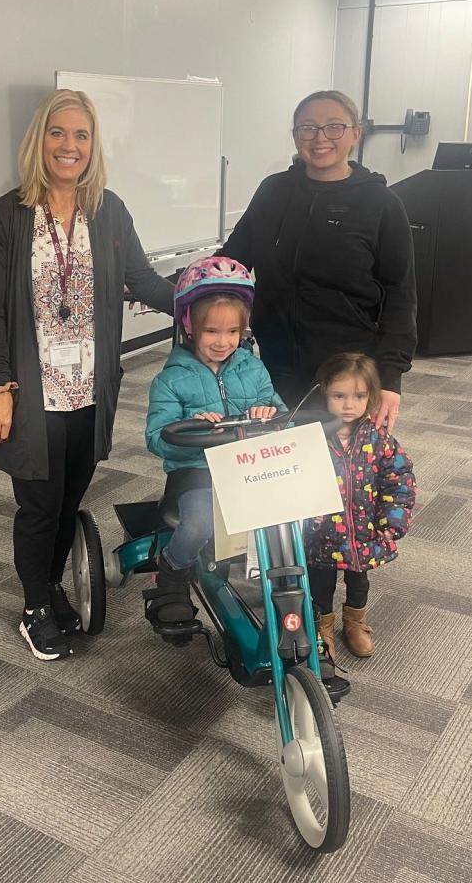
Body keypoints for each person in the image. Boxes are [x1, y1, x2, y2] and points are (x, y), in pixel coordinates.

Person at [0, 88, 174, 662]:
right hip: (32, 394)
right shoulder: (7, 214)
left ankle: (50, 586)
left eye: (81, 135)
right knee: (38, 505)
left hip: (90, 389)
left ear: (94, 146)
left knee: (68, 502)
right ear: (41, 140)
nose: (70, 146)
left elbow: (144, 280)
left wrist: (207, 298)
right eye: (58, 133)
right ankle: (34, 605)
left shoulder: (108, 209)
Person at [218, 90, 416, 432]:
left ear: (356, 134)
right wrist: (179, 284)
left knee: (342, 469)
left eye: (334, 127)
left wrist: (390, 377)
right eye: (307, 128)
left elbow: (401, 296)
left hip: (347, 370)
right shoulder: (273, 192)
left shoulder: (382, 204)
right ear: (296, 137)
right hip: (276, 364)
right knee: (280, 461)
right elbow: (232, 261)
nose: (320, 138)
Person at [144, 257, 283, 629]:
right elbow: (157, 438)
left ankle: (288, 583)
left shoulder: (253, 369)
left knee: (289, 516)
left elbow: (280, 409)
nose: (223, 342)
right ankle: (171, 574)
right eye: (211, 332)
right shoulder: (171, 379)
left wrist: (268, 414)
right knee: (198, 524)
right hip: (195, 470)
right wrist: (191, 429)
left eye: (232, 332)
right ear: (189, 325)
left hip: (250, 466)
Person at [305, 352, 416, 662]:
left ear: (371, 397)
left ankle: (355, 623)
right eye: (339, 395)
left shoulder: (380, 439)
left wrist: (392, 522)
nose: (349, 404)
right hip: (322, 535)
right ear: (323, 392)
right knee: (320, 583)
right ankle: (322, 626)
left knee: (358, 581)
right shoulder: (311, 437)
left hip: (363, 534)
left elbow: (400, 480)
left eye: (359, 396)